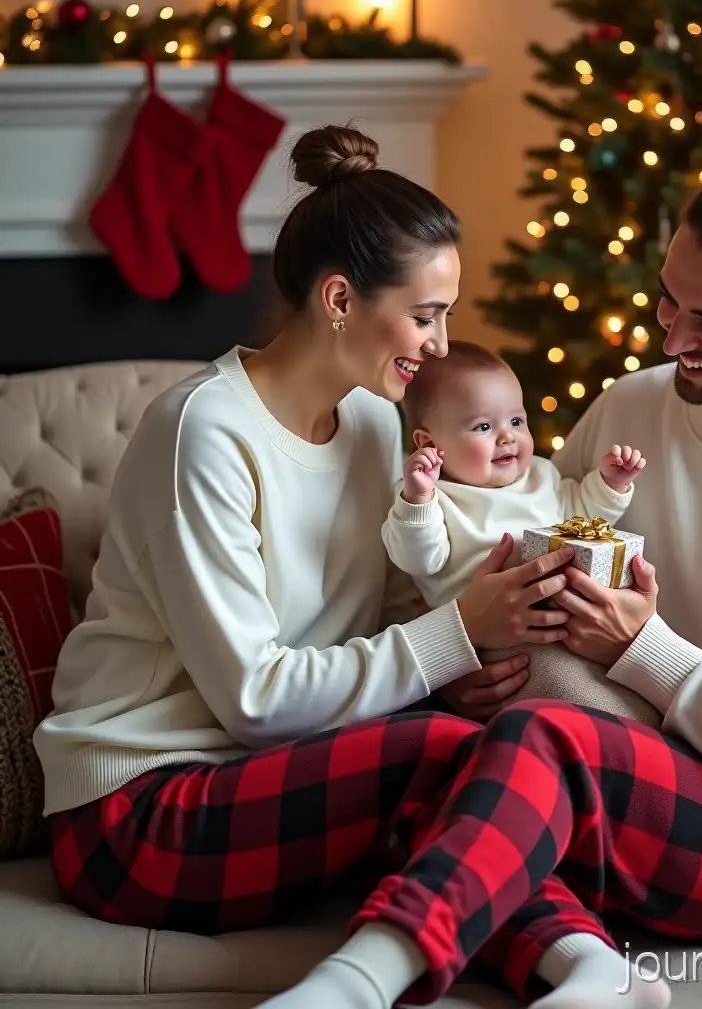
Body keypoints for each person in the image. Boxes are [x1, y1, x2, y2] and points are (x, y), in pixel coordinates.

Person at [259, 124, 702, 1005]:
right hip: (600, 765)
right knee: (448, 747)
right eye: (669, 302)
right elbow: (501, 549)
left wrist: (646, 650)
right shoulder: (635, 406)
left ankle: (357, 985)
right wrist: (459, 670)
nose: (673, 341)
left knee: (535, 736)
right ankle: (593, 972)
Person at [34, 124, 669, 1009]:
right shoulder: (203, 435)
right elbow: (255, 700)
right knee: (454, 756)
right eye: (425, 314)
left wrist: (456, 671)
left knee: (479, 749)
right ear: (339, 298)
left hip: (302, 769)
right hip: (140, 811)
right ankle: (518, 970)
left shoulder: (378, 426)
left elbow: (383, 621)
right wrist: (455, 638)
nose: (442, 346)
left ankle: (581, 967)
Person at [381, 339, 660, 724]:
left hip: (569, 620)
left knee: (630, 688)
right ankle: (620, 742)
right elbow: (418, 558)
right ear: (430, 444)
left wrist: (610, 485)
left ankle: (648, 733)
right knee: (572, 698)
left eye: (516, 421)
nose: (508, 436)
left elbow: (581, 514)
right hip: (494, 640)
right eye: (484, 426)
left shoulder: (540, 476)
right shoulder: (434, 499)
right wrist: (417, 499)